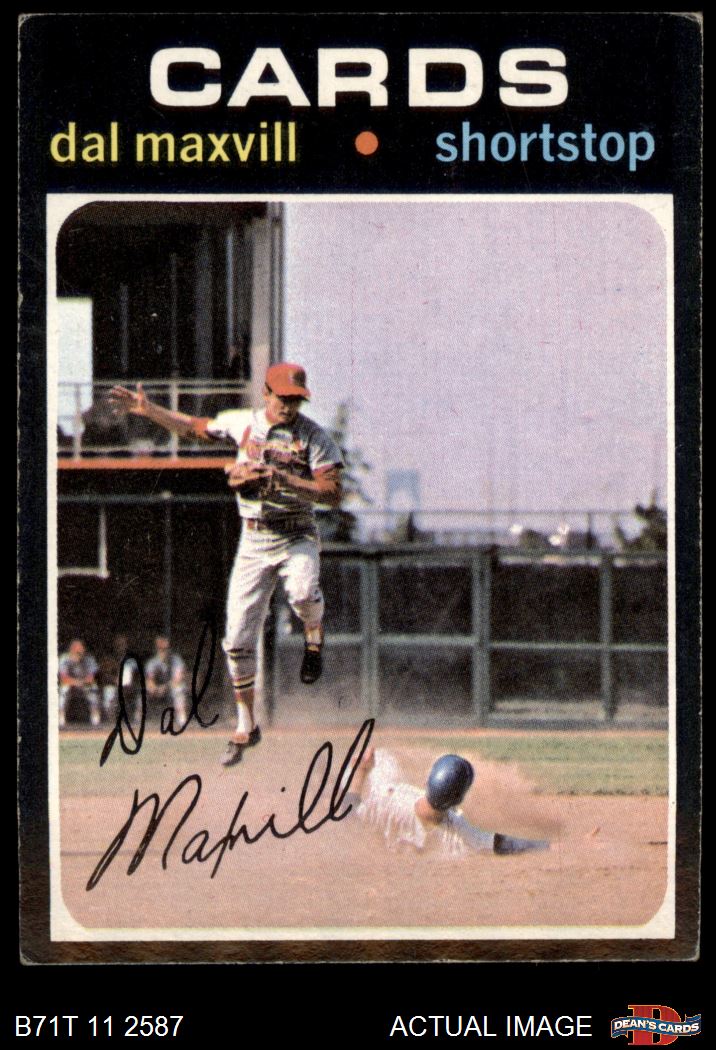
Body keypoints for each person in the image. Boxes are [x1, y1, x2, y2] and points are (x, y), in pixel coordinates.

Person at [109, 363, 343, 766]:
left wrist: (285, 480)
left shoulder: (313, 437)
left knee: (304, 594)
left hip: (295, 533)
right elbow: (193, 428)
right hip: (255, 538)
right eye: (283, 397)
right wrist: (149, 410)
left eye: (296, 399)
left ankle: (313, 631)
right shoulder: (243, 423)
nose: (289, 406)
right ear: (266, 394)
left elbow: (332, 492)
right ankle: (247, 725)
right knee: (236, 639)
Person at [344, 747, 550, 857]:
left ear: (426, 782)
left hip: (382, 850)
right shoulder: (459, 833)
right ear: (458, 801)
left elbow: (349, 814)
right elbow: (499, 844)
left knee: (383, 759)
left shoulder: (389, 800)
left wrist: (360, 771)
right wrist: (544, 846)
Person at [145, 636, 189, 726]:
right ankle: (139, 721)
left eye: (164, 649)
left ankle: (182, 721)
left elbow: (177, 679)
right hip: (158, 689)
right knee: (145, 690)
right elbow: (149, 680)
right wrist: (154, 688)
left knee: (178, 689)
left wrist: (164, 688)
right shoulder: (152, 662)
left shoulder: (176, 660)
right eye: (160, 648)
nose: (162, 651)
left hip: (171, 688)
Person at [58, 638, 100, 728]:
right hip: (71, 685)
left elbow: (91, 677)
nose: (78, 652)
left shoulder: (89, 659)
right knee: (64, 689)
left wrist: (81, 683)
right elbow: (63, 678)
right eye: (76, 649)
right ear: (71, 649)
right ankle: (61, 718)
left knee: (92, 687)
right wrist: (76, 682)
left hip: (84, 684)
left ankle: (95, 718)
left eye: (80, 649)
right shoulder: (64, 659)